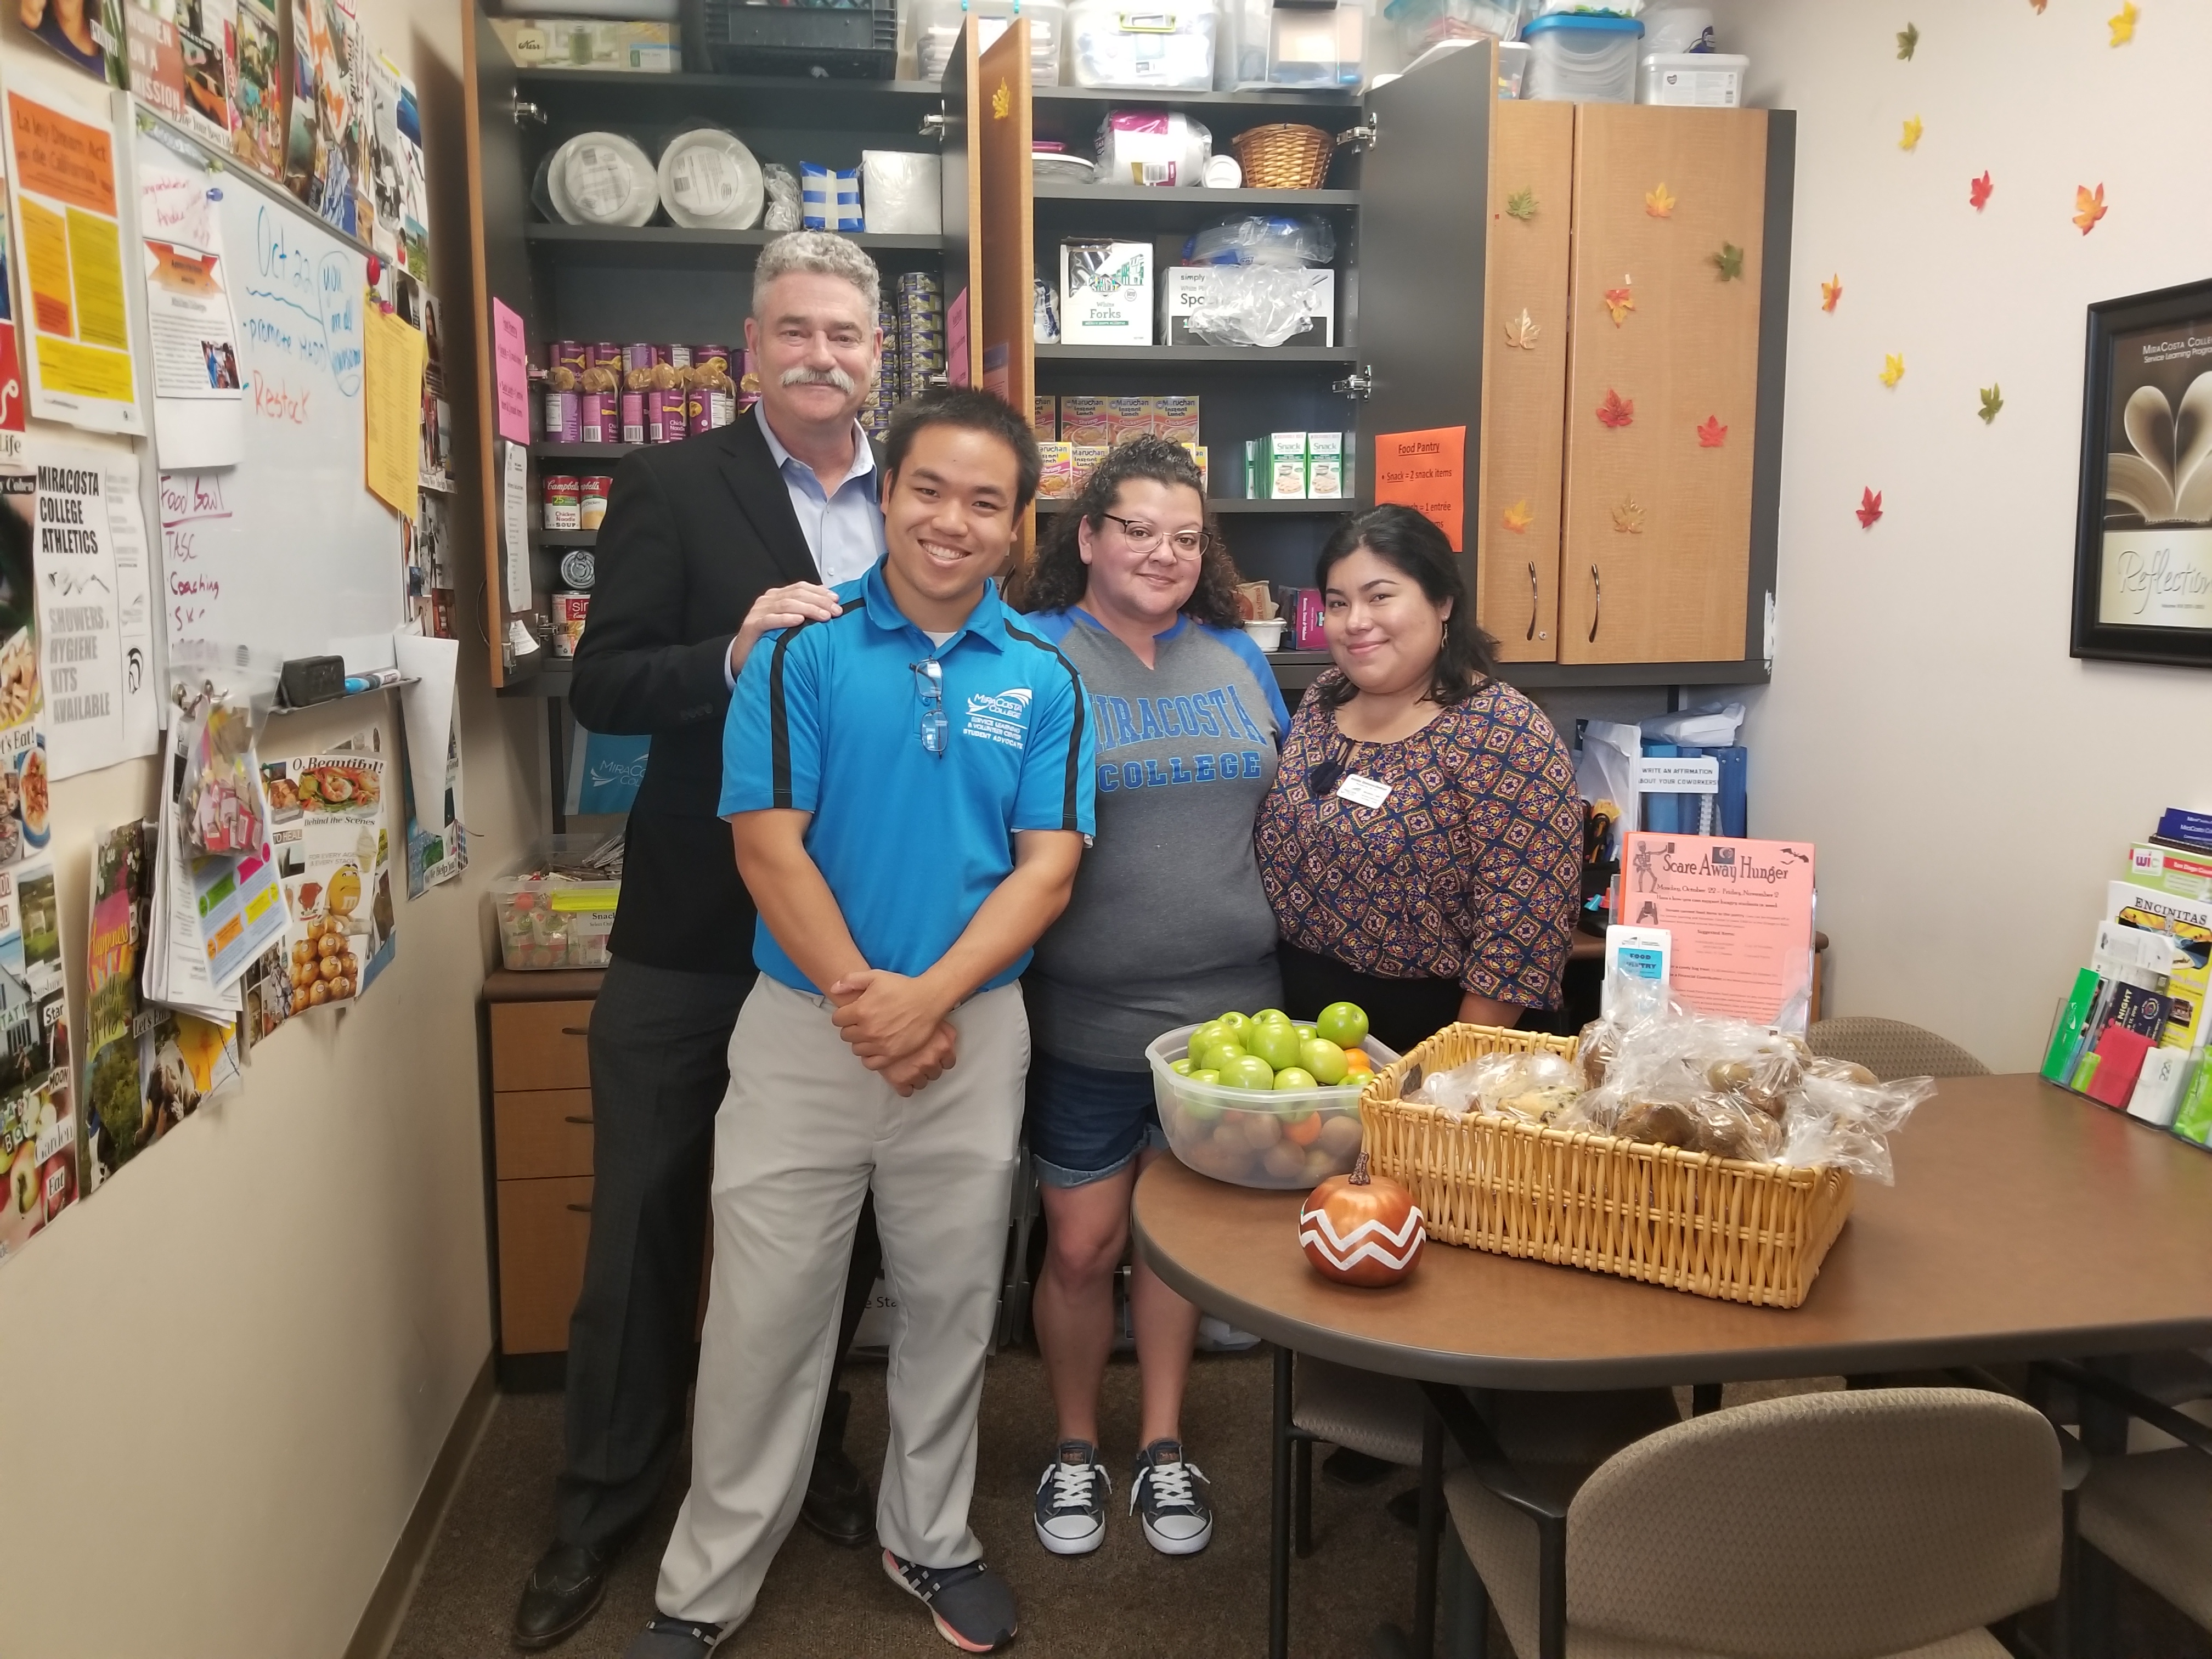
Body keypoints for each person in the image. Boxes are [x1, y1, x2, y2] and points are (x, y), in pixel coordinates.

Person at [624, 388, 1093, 1659]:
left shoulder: (1045, 677)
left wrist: (930, 1001)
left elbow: (1046, 869)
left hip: (971, 1038)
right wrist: (870, 1008)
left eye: (985, 503)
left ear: (1015, 530)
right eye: (928, 489)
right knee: (765, 1320)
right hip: (801, 1034)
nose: (952, 521)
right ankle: (706, 1583)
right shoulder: (799, 651)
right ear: (884, 494)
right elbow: (767, 849)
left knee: (949, 1309)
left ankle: (930, 1537)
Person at [528, 231, 893, 1650]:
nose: (820, 355)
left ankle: (805, 1462)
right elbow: (605, 683)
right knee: (642, 1225)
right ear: (751, 348)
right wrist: (730, 653)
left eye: (846, 334)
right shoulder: (670, 483)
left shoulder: (914, 496)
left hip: (855, 929)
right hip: (693, 932)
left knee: (833, 1232)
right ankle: (596, 1505)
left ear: (879, 352)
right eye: (793, 331)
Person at [1015, 438, 1288, 1559]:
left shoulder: (1237, 656)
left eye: (1186, 536)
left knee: (1172, 1244)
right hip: (1083, 1020)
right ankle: (1076, 1445)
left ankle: (1163, 1445)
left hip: (1232, 1030)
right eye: (1137, 529)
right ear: (1086, 536)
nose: (1162, 553)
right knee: (1082, 1246)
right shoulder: (1029, 652)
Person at [1255, 504, 1582, 1057]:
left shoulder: (1503, 732)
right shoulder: (1321, 701)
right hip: (1306, 1034)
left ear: (1443, 602)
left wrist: (1443, 1080)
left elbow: (1521, 943)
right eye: (1338, 603)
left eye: (1380, 596)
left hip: (1438, 1037)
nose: (1356, 620)